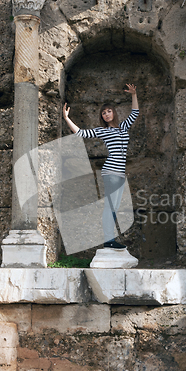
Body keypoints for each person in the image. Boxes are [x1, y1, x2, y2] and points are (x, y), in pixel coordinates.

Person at [63, 83, 139, 250]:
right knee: (110, 207)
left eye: (108, 111)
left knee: (115, 207)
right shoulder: (103, 131)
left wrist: (133, 94)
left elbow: (135, 113)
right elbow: (81, 133)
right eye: (103, 113)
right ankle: (108, 240)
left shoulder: (123, 128)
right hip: (110, 172)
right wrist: (67, 118)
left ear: (114, 112)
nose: (106, 114)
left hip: (120, 174)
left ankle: (109, 239)